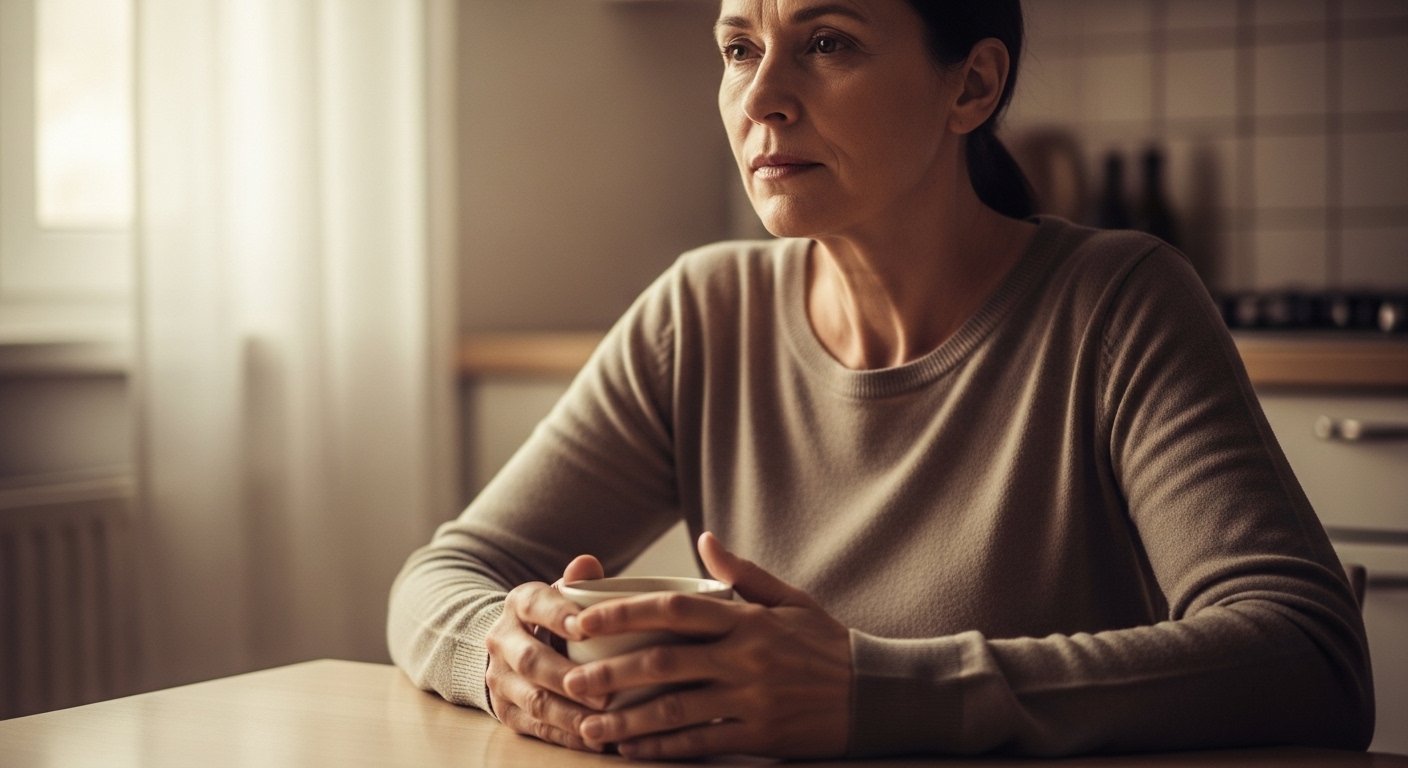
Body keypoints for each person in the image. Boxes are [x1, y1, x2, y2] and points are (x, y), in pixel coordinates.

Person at [388, 0, 1375, 759]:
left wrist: (870, 689)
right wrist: (501, 658)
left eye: (826, 42)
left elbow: (1308, 656)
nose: (761, 97)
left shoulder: (1116, 303)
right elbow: (438, 577)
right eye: (738, 48)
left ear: (971, 88)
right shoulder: (703, 310)